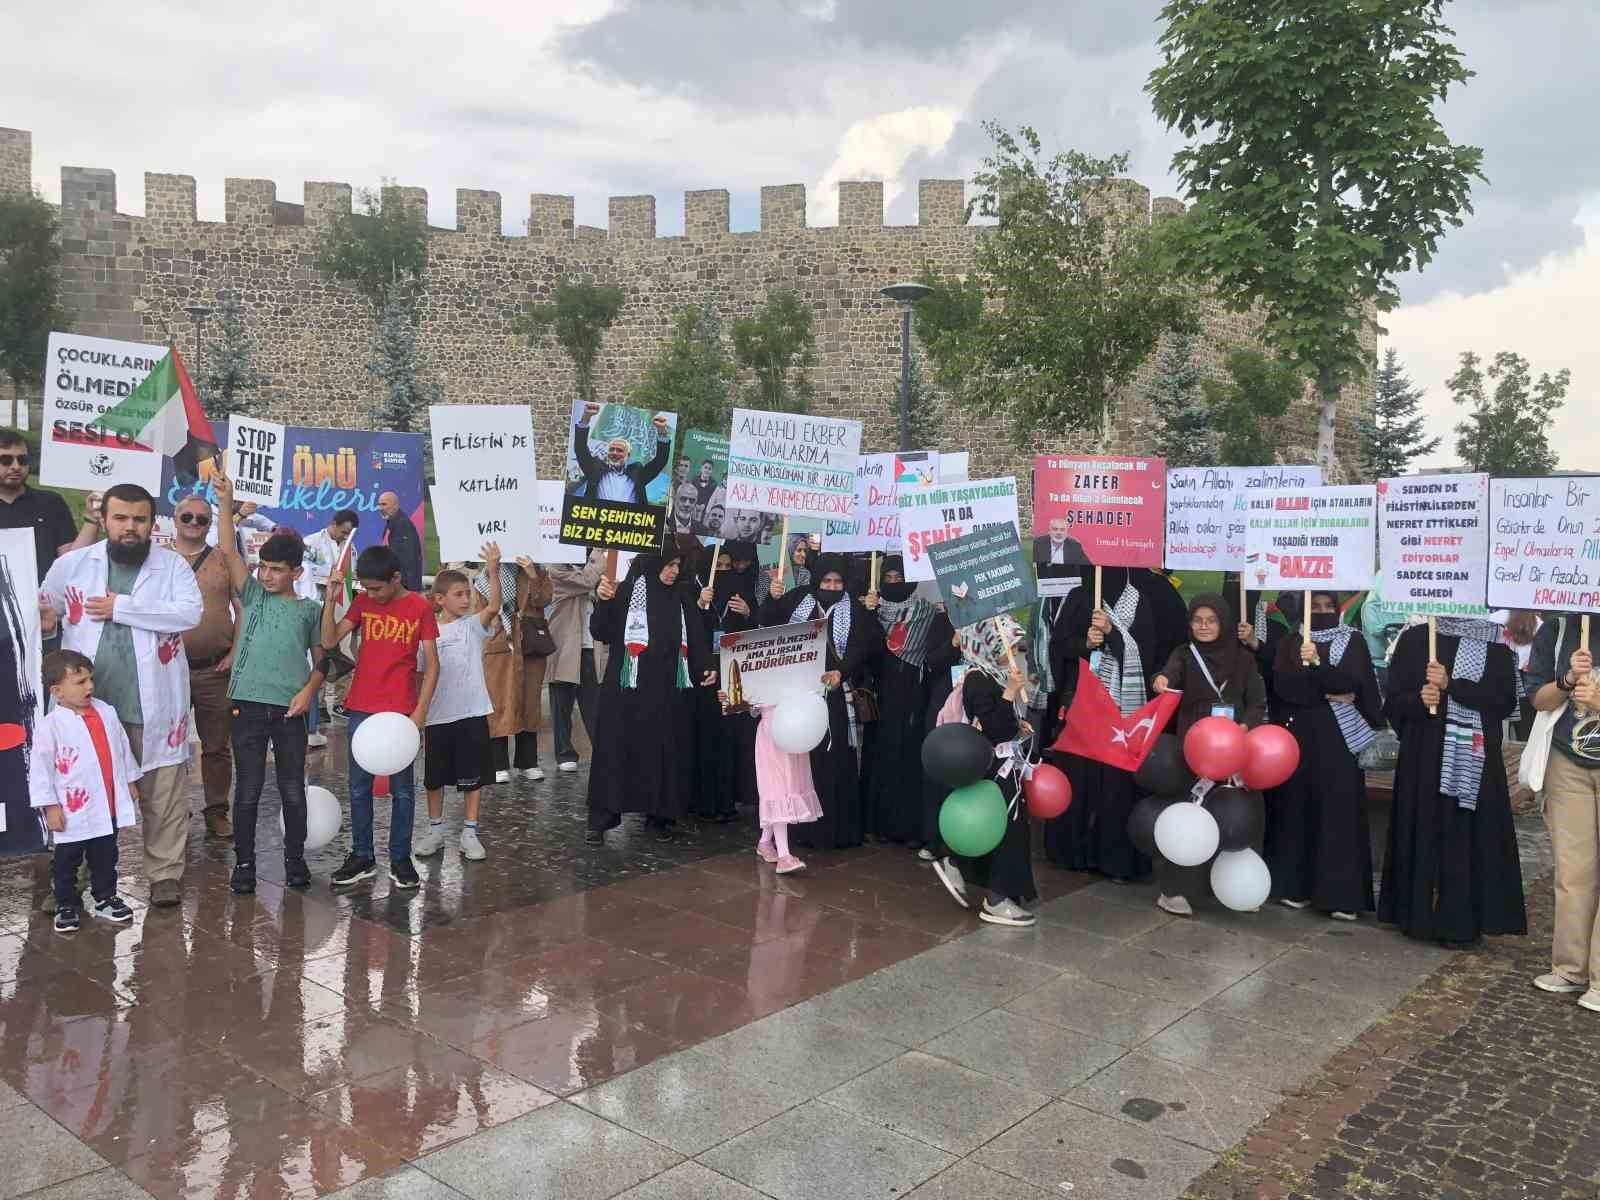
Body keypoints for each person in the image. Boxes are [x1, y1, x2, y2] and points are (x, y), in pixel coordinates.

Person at [39, 483, 201, 909]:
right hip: (88, 708)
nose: (130, 528)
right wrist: (44, 618)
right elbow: (46, 607)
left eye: (140, 519)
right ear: (105, 519)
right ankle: (70, 883)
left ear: (152, 523)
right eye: (121, 518)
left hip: (156, 708)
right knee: (82, 790)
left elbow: (190, 613)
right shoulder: (73, 565)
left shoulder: (173, 568)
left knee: (163, 794)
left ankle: (165, 875)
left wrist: (120, 607)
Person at [1379, 617, 1526, 946]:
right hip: (1424, 754)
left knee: (1464, 834)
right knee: (1423, 827)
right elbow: (1392, 703)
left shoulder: (1495, 644)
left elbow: (1503, 702)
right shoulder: (1417, 638)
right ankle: (1415, 914)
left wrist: (1451, 685)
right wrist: (1420, 701)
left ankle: (1459, 921)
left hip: (1472, 762)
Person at [212, 474, 325, 895]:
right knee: (248, 791)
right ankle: (244, 864)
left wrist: (309, 691)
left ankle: (295, 861)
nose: (268, 575)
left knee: (293, 790)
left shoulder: (309, 610)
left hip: (290, 709)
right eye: (264, 567)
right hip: (247, 704)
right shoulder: (253, 595)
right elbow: (227, 549)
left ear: (297, 571)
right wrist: (224, 504)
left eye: (278, 570)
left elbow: (322, 661)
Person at [1045, 568, 1185, 880]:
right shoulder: (1080, 598)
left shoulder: (1139, 602)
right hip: (1083, 704)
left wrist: (1113, 633)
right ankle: (1073, 851)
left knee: (1116, 784)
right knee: (1079, 779)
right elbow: (1058, 648)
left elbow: (1147, 655)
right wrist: (1085, 643)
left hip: (1122, 711)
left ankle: (1114, 857)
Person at [321, 543, 439, 889]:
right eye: (365, 588)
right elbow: (329, 640)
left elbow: (432, 667)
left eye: (376, 588)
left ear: (396, 578)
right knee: (358, 786)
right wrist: (330, 599)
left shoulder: (419, 607)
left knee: (402, 790)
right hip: (362, 706)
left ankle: (400, 858)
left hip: (401, 710)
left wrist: (419, 713)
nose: (371, 594)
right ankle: (362, 855)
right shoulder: (362, 603)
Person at [1263, 591, 1382, 920]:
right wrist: (1330, 690)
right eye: (1315, 606)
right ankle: (1296, 887)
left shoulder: (1352, 640)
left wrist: (1316, 665)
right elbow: (1286, 687)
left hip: (1338, 740)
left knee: (1338, 810)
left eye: (1329, 606)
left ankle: (1341, 895)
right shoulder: (1291, 641)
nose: (1323, 611)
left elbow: (1354, 682)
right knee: (1298, 806)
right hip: (1300, 735)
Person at [584, 549, 716, 845]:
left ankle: (659, 818)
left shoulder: (681, 596)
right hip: (627, 693)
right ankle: (601, 821)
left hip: (667, 694)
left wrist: (705, 665)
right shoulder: (628, 591)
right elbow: (602, 631)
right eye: (668, 565)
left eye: (677, 566)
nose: (672, 571)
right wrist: (604, 601)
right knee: (617, 754)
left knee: (663, 755)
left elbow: (694, 635)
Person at [1150, 593, 1267, 916]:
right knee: (1192, 815)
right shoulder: (1185, 654)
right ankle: (1175, 891)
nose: (1203, 626)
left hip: (1234, 748)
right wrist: (1161, 680)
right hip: (1197, 747)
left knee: (1237, 812)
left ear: (1224, 623)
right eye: (1197, 620)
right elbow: (1167, 675)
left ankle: (1238, 886)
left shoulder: (1244, 659)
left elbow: (1257, 702)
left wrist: (1244, 728)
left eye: (1211, 620)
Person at [760, 552, 882, 850]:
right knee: (800, 762)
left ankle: (834, 830)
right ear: (817, 580)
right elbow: (764, 625)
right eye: (826, 581)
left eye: (838, 581)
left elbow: (867, 644)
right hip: (796, 693)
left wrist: (843, 669)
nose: (831, 586)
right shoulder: (797, 600)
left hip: (833, 695)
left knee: (833, 758)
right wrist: (773, 599)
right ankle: (799, 830)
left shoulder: (852, 608)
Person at [929, 619, 1040, 926]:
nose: (1013, 650)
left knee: (1001, 826)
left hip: (1000, 765)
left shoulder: (992, 674)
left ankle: (958, 862)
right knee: (1006, 829)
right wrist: (1010, 694)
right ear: (987, 645)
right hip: (994, 769)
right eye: (1006, 644)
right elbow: (993, 726)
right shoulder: (979, 678)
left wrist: (1018, 722)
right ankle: (997, 897)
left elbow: (1000, 723)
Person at [29, 650, 140, 933]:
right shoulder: (49, 726)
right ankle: (66, 903)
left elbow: (122, 748)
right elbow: (41, 769)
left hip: (106, 804)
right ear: (57, 692)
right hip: (71, 810)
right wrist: (50, 806)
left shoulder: (107, 712)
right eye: (79, 682)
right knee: (66, 861)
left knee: (106, 855)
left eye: (90, 679)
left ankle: (105, 898)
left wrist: (129, 780)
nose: (90, 686)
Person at [1525, 614, 1600, 1007]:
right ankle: (1571, 969)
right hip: (1567, 763)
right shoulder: (1556, 629)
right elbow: (1537, 699)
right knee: (1573, 871)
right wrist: (1567, 682)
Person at [417, 545, 502, 862]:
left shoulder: (472, 626)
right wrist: (418, 713)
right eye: (458, 594)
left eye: (467, 593)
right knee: (434, 778)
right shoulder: (427, 632)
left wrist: (492, 569)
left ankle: (470, 831)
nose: (466, 600)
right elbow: (419, 673)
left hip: (471, 713)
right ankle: (435, 830)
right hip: (438, 716)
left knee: (472, 777)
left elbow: (493, 606)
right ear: (439, 599)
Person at [169, 492, 238, 840]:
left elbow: (242, 608)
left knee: (216, 746)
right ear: (174, 519)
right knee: (169, 747)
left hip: (215, 669)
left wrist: (236, 652)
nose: (194, 523)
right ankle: (174, 812)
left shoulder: (222, 560)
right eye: (188, 517)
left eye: (202, 519)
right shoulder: (158, 559)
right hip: (168, 671)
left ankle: (216, 810)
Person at [860, 555, 940, 846]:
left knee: (905, 755)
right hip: (878, 691)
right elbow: (867, 648)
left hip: (909, 693)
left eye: (899, 578)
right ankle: (874, 822)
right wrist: (868, 614)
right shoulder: (871, 607)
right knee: (876, 754)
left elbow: (917, 649)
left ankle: (904, 826)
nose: (893, 583)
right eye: (889, 578)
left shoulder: (924, 610)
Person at [476, 555, 552, 781]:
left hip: (529, 644)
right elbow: (481, 610)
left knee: (529, 701)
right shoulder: (485, 575)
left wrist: (532, 575)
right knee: (499, 702)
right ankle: (498, 763)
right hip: (499, 644)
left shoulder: (538, 569)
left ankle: (528, 761)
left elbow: (544, 600)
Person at [0, 427, 93, 584]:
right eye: (6, 460)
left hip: (44, 603)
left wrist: (92, 519)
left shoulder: (50, 502)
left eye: (22, 460)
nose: (16, 466)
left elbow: (72, 563)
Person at [546, 549, 607, 772]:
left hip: (592, 644)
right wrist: (600, 557)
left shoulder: (595, 567)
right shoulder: (557, 569)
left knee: (594, 704)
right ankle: (564, 754)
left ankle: (602, 750)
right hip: (565, 645)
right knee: (561, 702)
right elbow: (587, 580)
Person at [572, 403, 670, 504]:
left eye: (620, 450)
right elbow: (580, 449)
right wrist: (586, 418)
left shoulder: (637, 473)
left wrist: (662, 431)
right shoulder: (594, 468)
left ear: (628, 455)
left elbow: (660, 460)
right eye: (612, 449)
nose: (614, 453)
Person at [298, 509, 358, 602]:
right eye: (344, 532)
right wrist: (329, 571)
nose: (346, 537)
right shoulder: (312, 541)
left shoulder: (350, 545)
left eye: (349, 534)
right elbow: (302, 567)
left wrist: (353, 573)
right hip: (316, 597)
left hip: (342, 598)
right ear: (333, 524)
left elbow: (352, 569)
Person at [377, 491, 424, 593]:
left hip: (403, 588)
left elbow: (410, 559)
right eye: (379, 505)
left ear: (395, 505)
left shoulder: (403, 525)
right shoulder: (392, 523)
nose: (380, 508)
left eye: (384, 504)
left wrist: (411, 591)